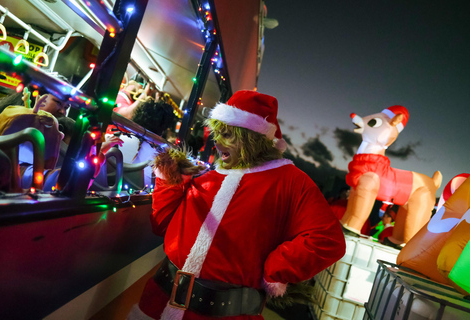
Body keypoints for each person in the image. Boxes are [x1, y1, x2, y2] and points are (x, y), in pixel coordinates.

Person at [129, 90, 346, 320]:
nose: (217, 141)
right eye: (218, 132)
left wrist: (277, 270)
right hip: (156, 302)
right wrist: (169, 183)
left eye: (228, 134)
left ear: (252, 139)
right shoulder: (207, 176)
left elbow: (327, 240)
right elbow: (161, 226)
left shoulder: (290, 180)